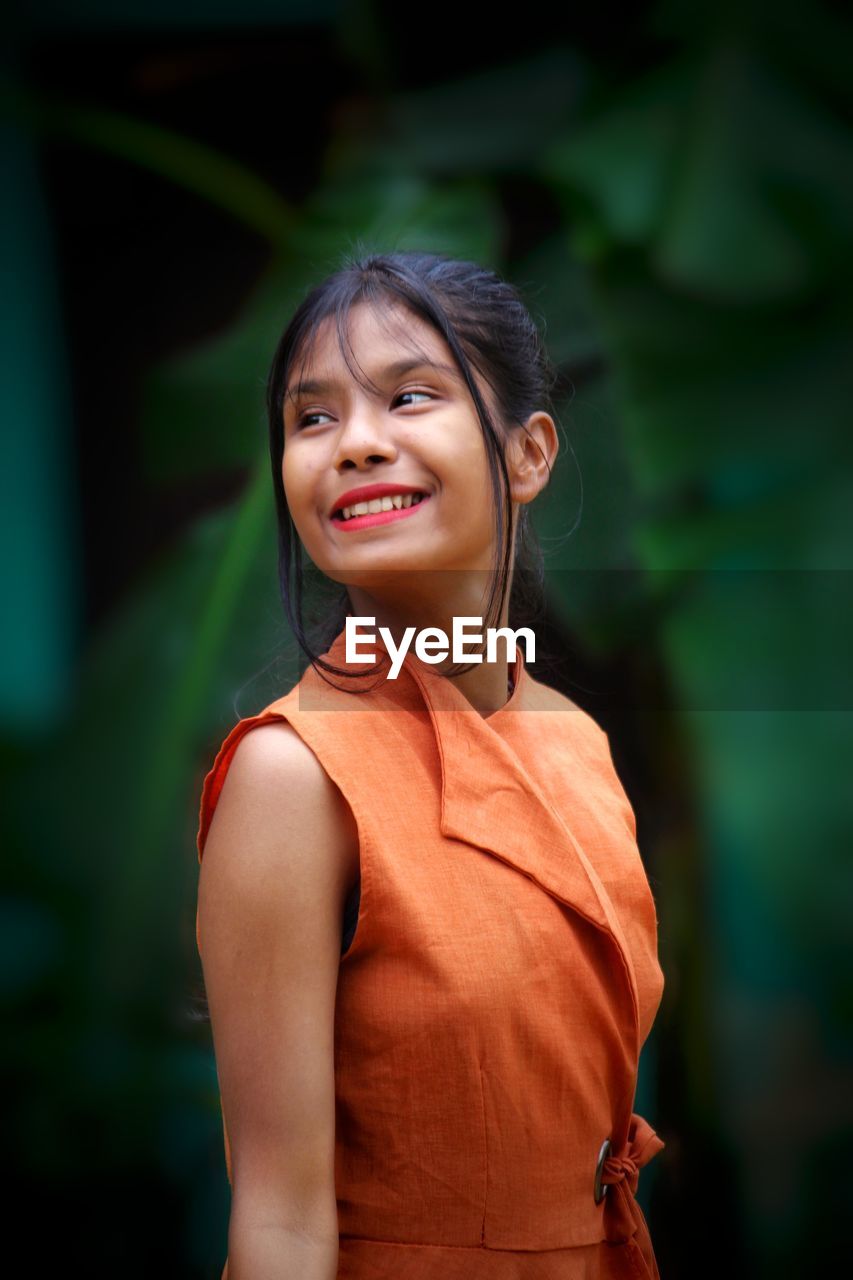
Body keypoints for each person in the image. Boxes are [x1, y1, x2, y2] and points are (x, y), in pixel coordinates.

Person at [194, 250, 667, 1280]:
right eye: (311, 418)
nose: (355, 444)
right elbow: (278, 1224)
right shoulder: (294, 775)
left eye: (410, 395)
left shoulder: (577, 741)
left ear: (529, 454)